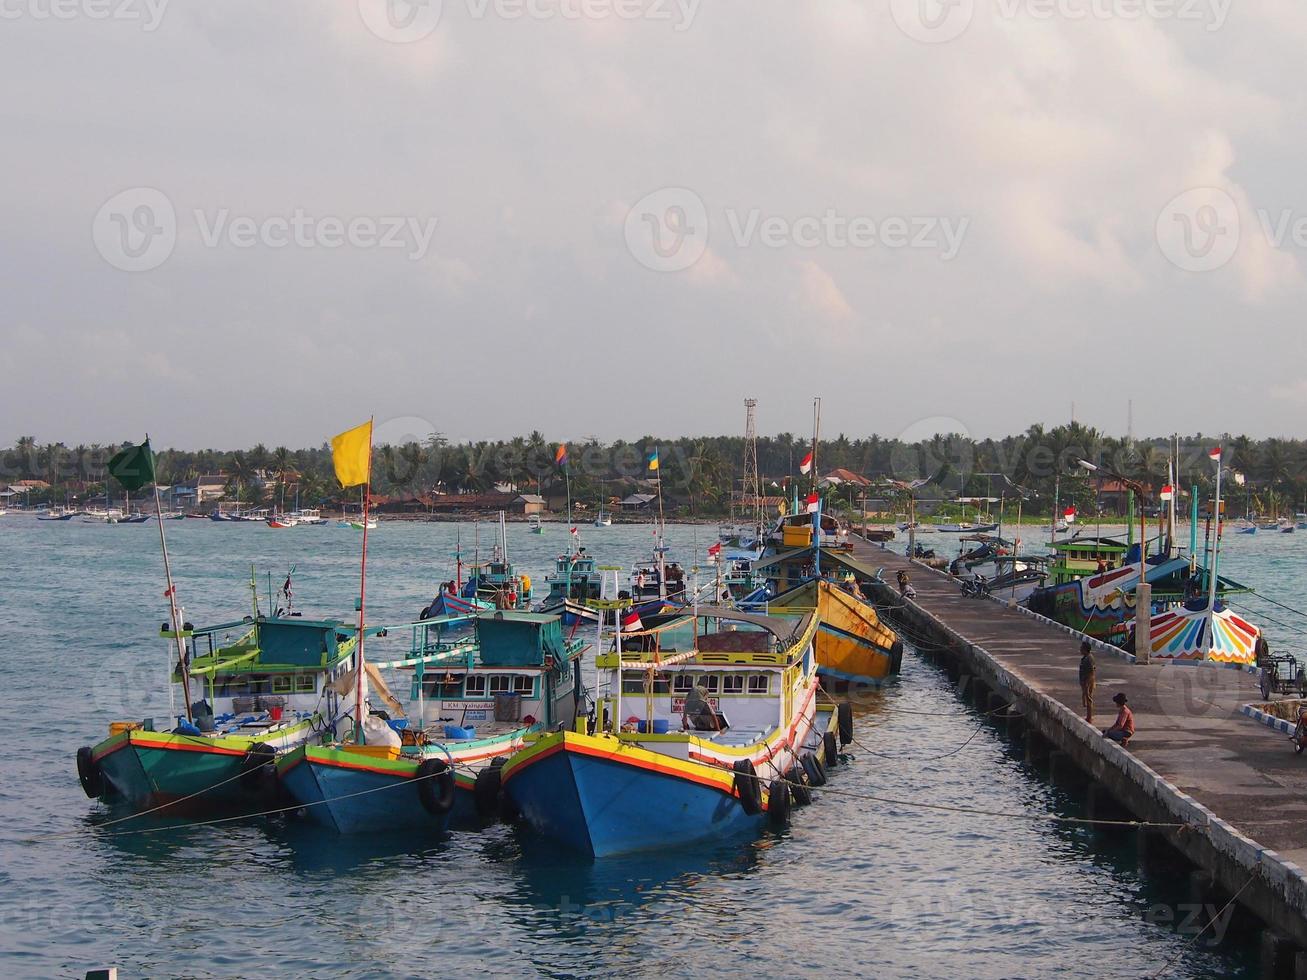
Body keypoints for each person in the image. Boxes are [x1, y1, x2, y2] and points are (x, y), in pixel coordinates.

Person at [1078, 640, 1096, 723]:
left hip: (1088, 681)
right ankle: (1088, 716)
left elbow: (1091, 672)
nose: (1080, 649)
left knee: (1089, 699)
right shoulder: (1086, 658)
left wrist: (1087, 684)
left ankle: (1089, 717)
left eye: (1081, 648)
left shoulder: (1089, 659)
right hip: (1085, 681)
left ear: (1085, 649)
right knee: (1086, 698)